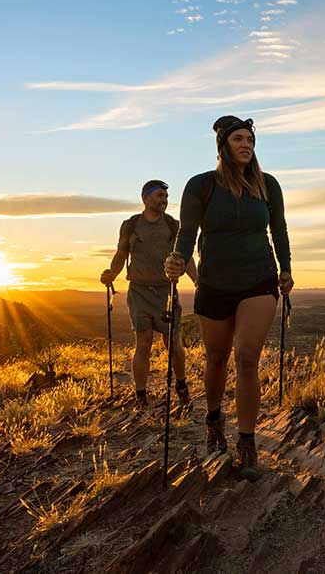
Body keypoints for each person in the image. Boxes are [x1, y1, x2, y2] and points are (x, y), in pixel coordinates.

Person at [165, 115, 293, 479]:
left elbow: (279, 229)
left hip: (259, 278)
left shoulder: (267, 185)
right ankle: (214, 420)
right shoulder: (201, 186)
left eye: (250, 140)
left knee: (247, 358)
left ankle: (247, 443)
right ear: (223, 145)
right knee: (216, 358)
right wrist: (176, 259)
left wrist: (285, 269)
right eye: (238, 139)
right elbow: (187, 233)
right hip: (215, 282)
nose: (246, 145)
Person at [101, 179, 198, 409]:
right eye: (159, 196)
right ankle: (141, 395)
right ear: (145, 198)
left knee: (172, 342)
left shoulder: (173, 225)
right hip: (138, 291)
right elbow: (121, 254)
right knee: (143, 343)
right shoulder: (131, 225)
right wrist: (111, 273)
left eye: (165, 196)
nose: (164, 200)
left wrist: (197, 281)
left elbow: (185, 256)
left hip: (167, 290)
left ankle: (181, 384)